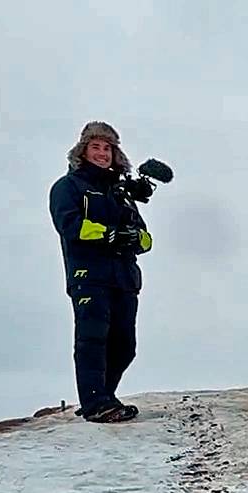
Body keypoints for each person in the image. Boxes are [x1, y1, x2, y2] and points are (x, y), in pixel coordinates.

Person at [49, 121, 152, 423]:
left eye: (107, 148)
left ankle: (106, 396)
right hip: (88, 275)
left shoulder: (122, 194)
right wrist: (109, 234)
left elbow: (146, 238)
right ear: (82, 150)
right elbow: (69, 225)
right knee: (92, 339)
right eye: (96, 146)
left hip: (124, 279)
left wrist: (134, 238)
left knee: (125, 345)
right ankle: (95, 403)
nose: (102, 153)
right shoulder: (68, 187)